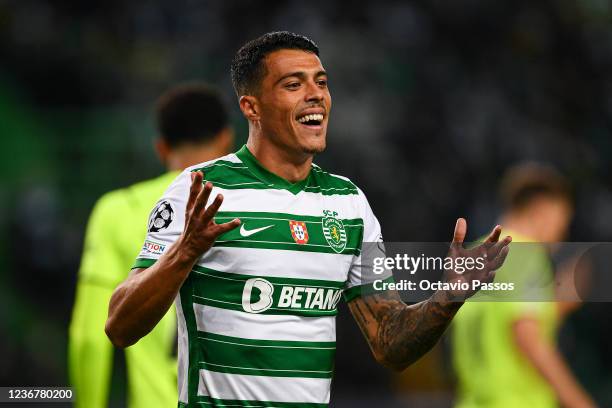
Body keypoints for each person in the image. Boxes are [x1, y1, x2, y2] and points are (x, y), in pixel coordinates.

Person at [105, 31, 511, 407]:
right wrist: (185, 252)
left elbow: (389, 344)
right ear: (252, 107)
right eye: (293, 84)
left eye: (321, 81)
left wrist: (447, 298)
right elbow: (120, 327)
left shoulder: (348, 203)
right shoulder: (200, 189)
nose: (315, 95)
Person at [69, 83, 233, 408]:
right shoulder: (253, 209)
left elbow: (89, 337)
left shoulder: (118, 211)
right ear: (227, 140)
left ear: (161, 148)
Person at [452, 163, 596, 408]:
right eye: (563, 220)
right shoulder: (526, 254)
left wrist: (556, 307)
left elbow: (497, 330)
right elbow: (528, 339)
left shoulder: (475, 256)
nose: (562, 233)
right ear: (543, 210)